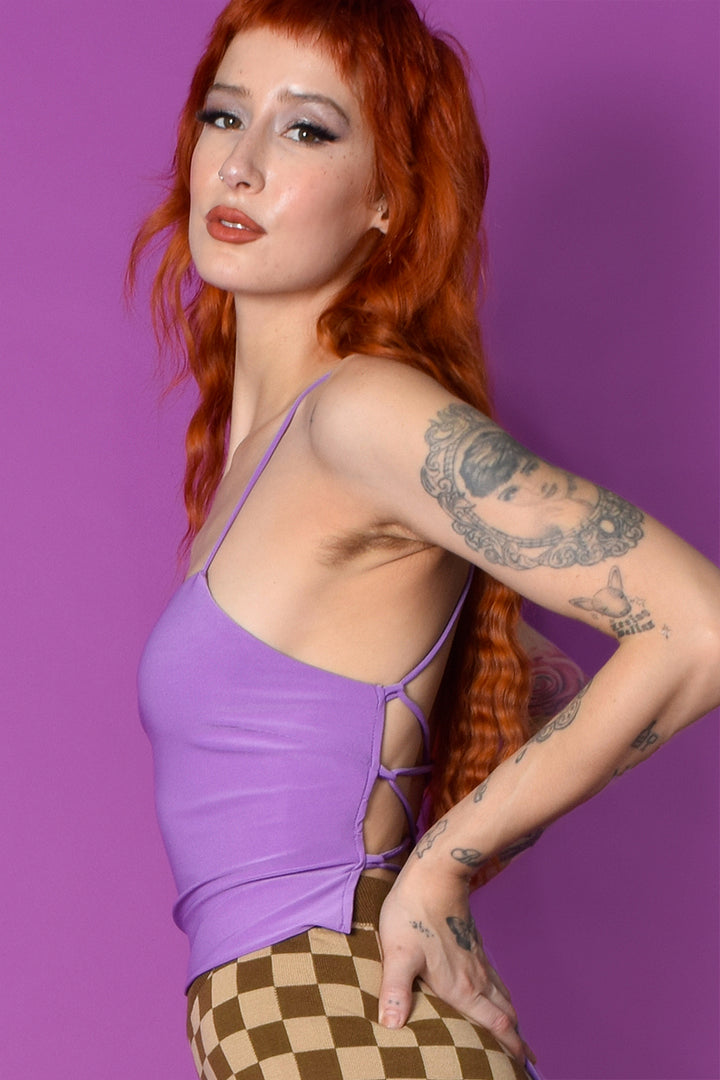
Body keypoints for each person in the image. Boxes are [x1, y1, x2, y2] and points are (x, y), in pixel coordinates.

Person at [132, 1, 720, 1078]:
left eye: (307, 129)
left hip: (339, 1010)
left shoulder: (364, 414)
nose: (243, 164)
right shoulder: (274, 452)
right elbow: (518, 692)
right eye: (224, 116)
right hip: (289, 1018)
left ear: (388, 199)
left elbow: (699, 625)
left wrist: (441, 866)